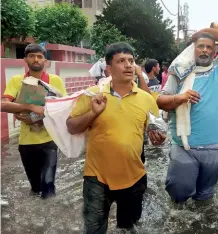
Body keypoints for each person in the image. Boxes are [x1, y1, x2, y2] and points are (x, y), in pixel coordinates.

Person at [66, 43, 166, 232]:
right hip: (96, 178)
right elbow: (71, 127)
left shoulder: (146, 99)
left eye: (131, 61)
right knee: (94, 230)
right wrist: (93, 113)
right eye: (121, 61)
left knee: (127, 228)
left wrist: (159, 139)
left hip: (134, 177)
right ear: (110, 69)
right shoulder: (93, 95)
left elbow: (157, 131)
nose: (128, 65)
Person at [157, 28, 218, 203]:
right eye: (200, 46)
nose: (205, 50)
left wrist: (203, 32)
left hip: (216, 147)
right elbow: (160, 101)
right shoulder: (179, 74)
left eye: (209, 47)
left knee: (205, 197)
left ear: (215, 52)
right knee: (179, 193)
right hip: (185, 147)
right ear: (193, 50)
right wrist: (179, 98)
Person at [1, 43, 67, 199]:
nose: (36, 59)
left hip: (49, 139)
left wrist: (43, 115)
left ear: (46, 61)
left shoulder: (55, 80)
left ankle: (49, 215)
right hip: (26, 142)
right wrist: (29, 106)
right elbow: (3, 104)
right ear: (25, 60)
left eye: (39, 56)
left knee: (48, 186)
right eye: (31, 56)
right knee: (35, 187)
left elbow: (64, 107)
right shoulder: (17, 80)